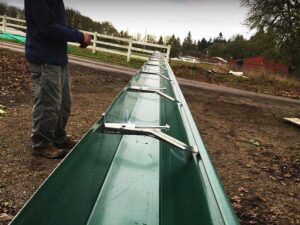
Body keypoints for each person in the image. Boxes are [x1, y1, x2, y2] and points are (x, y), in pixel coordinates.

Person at [24, 0, 91, 159]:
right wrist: (78, 36)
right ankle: (41, 143)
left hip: (58, 57)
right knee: (49, 103)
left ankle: (57, 137)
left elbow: (58, 25)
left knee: (64, 103)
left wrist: (80, 36)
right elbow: (47, 28)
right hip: (44, 57)